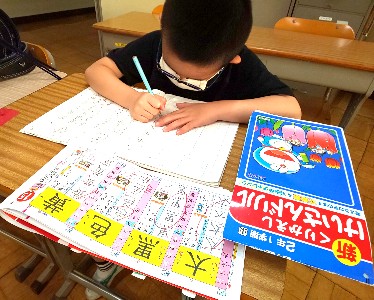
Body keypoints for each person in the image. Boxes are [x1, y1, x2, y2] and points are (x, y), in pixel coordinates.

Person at [84, 0, 301, 298]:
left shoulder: (242, 63)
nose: (182, 82)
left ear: (232, 59)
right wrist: (130, 98)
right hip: (141, 160)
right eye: (172, 73)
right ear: (163, 35)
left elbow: (291, 110)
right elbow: (97, 70)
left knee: (188, 229)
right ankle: (106, 261)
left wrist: (217, 109)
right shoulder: (153, 45)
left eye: (194, 80)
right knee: (105, 201)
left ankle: (191, 286)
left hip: (201, 175)